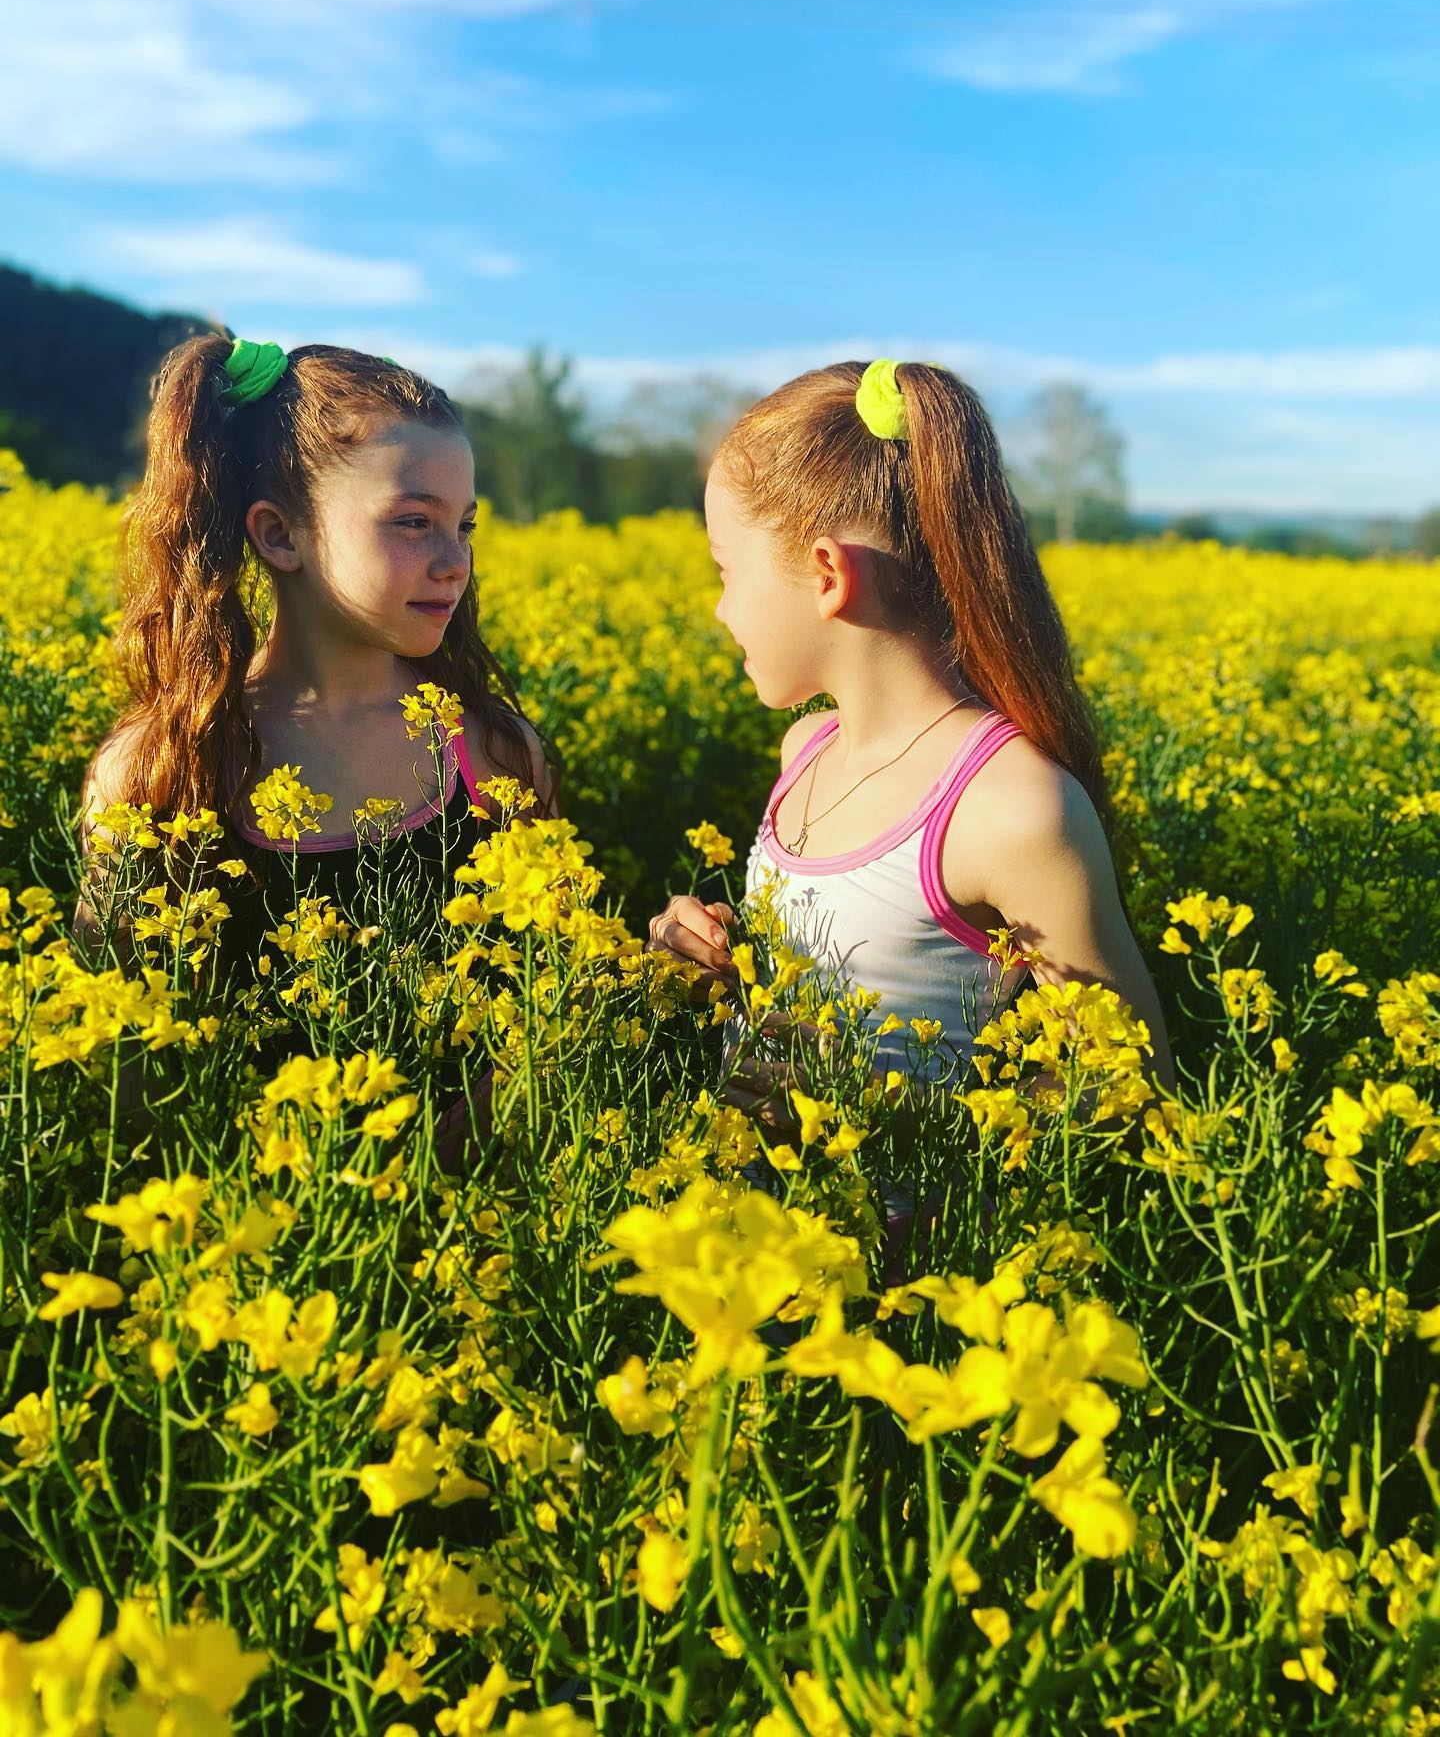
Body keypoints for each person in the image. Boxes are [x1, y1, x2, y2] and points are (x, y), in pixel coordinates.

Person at [645, 359, 1175, 1258]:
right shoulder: (805, 752)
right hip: (738, 1231)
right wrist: (708, 952)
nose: (720, 609)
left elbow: (1129, 1085)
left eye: (726, 572)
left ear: (825, 576)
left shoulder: (1012, 805)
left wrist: (931, 1160)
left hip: (901, 1279)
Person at [74, 334, 553, 1168]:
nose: (455, 563)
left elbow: (547, 1017)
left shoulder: (495, 758)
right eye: (413, 522)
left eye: (464, 526)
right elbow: (117, 1079)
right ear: (279, 535)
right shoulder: (162, 772)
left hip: (466, 1254)